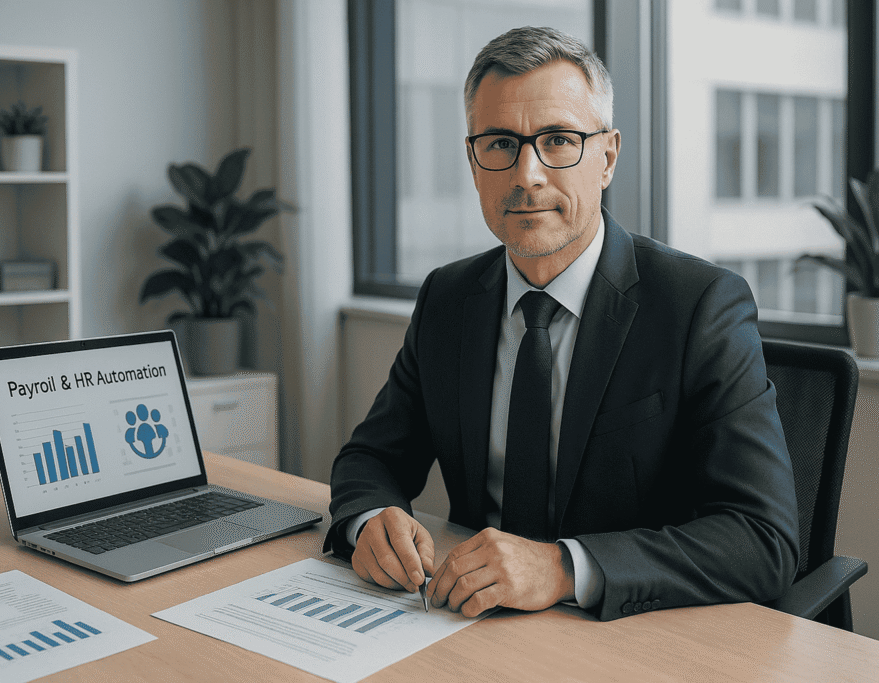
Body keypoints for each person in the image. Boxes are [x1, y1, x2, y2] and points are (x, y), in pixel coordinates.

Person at [324, 26, 799, 622]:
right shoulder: (448, 298)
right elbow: (371, 458)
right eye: (500, 143)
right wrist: (371, 520)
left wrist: (563, 567)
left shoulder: (699, 305)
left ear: (608, 156)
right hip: (465, 629)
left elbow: (762, 539)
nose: (527, 174)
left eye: (558, 140)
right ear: (474, 163)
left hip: (626, 640)